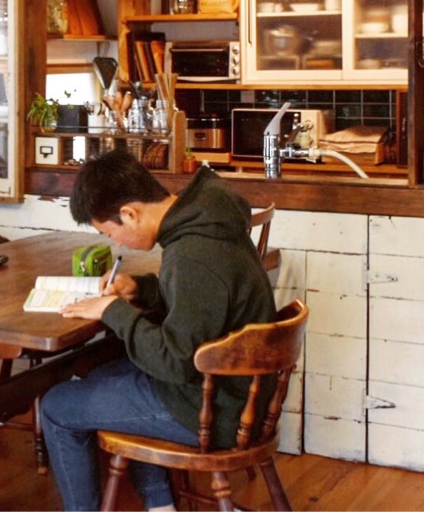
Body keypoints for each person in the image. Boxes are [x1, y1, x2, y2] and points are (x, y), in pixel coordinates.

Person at [39, 149, 276, 511]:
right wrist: (141, 288)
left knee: (56, 405)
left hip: (214, 410)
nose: (117, 243)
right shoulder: (207, 219)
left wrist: (113, 311)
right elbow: (199, 303)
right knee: (100, 373)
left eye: (111, 233)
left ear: (129, 213)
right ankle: (160, 504)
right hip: (236, 393)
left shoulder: (192, 254)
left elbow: (174, 363)